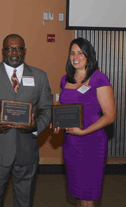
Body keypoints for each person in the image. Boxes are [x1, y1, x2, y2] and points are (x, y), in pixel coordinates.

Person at [0, 34, 53, 207]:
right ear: (3, 51)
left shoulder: (40, 76)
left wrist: (36, 126)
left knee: (25, 202)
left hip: (27, 152)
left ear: (24, 51)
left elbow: (47, 109)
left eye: (18, 48)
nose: (14, 52)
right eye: (9, 48)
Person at [51, 38, 116, 207]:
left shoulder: (99, 79)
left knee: (88, 195)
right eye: (72, 52)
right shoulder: (65, 80)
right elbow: (63, 106)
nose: (76, 56)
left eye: (80, 52)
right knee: (78, 193)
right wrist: (56, 121)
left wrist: (84, 131)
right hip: (71, 143)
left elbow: (110, 115)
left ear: (89, 56)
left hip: (92, 142)